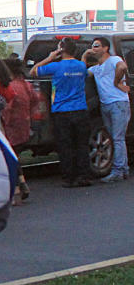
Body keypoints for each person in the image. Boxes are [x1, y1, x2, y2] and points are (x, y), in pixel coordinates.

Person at [30, 37, 94, 188]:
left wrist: (49, 57)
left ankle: (68, 177)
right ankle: (84, 175)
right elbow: (86, 75)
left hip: (62, 111)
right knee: (82, 145)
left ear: (61, 50)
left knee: (65, 145)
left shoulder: (55, 66)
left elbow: (33, 71)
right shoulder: (81, 66)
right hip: (80, 109)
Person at [82, 36, 130, 182]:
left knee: (117, 138)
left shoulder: (114, 60)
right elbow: (82, 73)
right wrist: (84, 55)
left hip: (118, 103)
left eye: (96, 46)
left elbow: (122, 67)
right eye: (93, 46)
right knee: (115, 138)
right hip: (106, 105)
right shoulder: (96, 69)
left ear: (105, 48)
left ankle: (118, 170)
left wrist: (116, 82)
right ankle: (123, 168)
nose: (93, 48)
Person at [1, 58, 38, 202]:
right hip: (24, 123)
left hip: (12, 125)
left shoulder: (10, 87)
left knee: (10, 156)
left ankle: (17, 189)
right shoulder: (26, 84)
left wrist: (5, 120)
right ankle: (22, 182)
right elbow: (35, 100)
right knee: (14, 155)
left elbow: (8, 108)